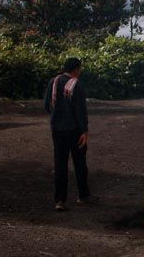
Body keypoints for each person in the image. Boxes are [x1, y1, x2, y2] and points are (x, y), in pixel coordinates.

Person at [43, 57, 95, 211]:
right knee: (79, 164)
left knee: (60, 165)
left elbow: (47, 106)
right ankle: (83, 196)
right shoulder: (76, 84)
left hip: (57, 130)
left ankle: (60, 200)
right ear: (76, 69)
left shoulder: (53, 82)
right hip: (74, 131)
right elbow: (80, 111)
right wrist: (84, 131)